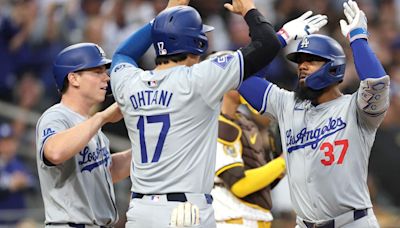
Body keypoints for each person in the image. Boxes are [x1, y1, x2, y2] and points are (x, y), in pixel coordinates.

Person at [109, 0, 327, 226]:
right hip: (186, 210)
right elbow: (266, 44)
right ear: (197, 42)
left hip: (140, 211)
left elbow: (123, 54)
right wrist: (253, 12)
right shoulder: (200, 79)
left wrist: (162, 22)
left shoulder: (130, 81)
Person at [238, 0, 390, 227]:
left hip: (352, 222)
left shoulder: (356, 109)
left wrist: (358, 38)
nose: (302, 66)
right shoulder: (287, 104)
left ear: (334, 66)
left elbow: (376, 83)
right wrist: (280, 38)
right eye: (300, 60)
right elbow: (242, 77)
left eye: (311, 60)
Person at [35, 42, 131, 227]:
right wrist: (102, 117)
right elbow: (54, 152)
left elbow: (106, 171)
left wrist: (147, 148)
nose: (107, 78)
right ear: (73, 79)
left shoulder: (88, 124)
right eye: (97, 72)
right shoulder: (56, 116)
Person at [0, 122, 35, 225]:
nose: (7, 145)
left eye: (10, 141)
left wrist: (24, 181)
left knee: (29, 224)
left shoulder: (19, 163)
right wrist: (10, 183)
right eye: (4, 142)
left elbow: (35, 184)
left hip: (17, 220)